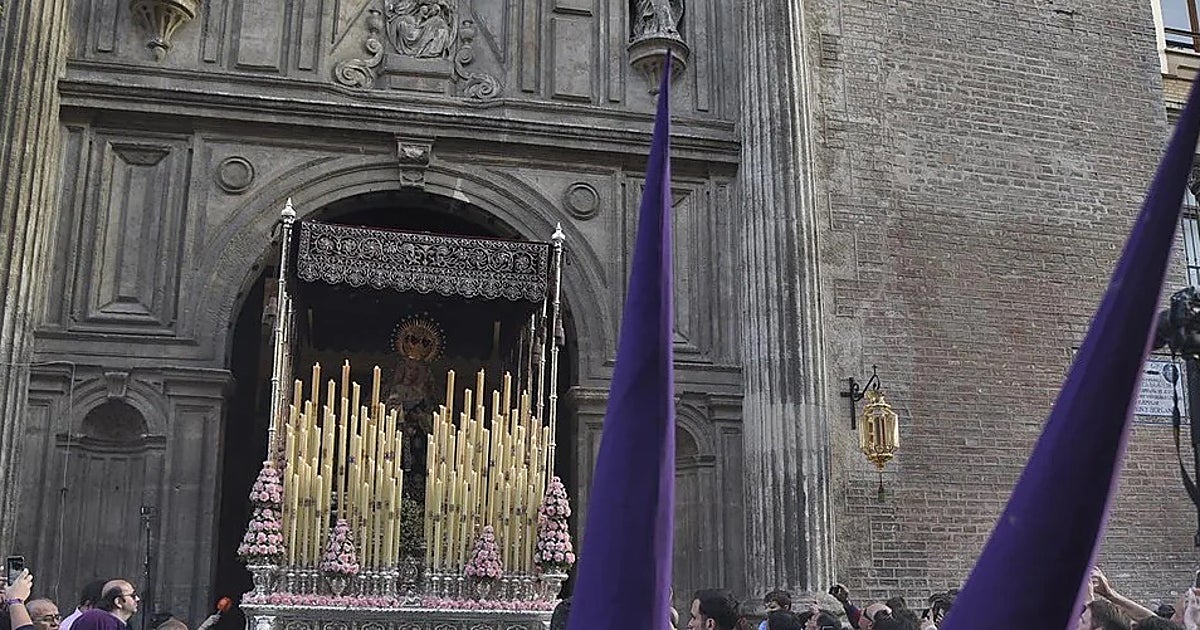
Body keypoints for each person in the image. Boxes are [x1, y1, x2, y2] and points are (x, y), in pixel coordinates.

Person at [73, 580, 138, 630]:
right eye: (133, 596)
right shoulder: (95, 619)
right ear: (118, 601)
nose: (137, 599)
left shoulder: (124, 626)